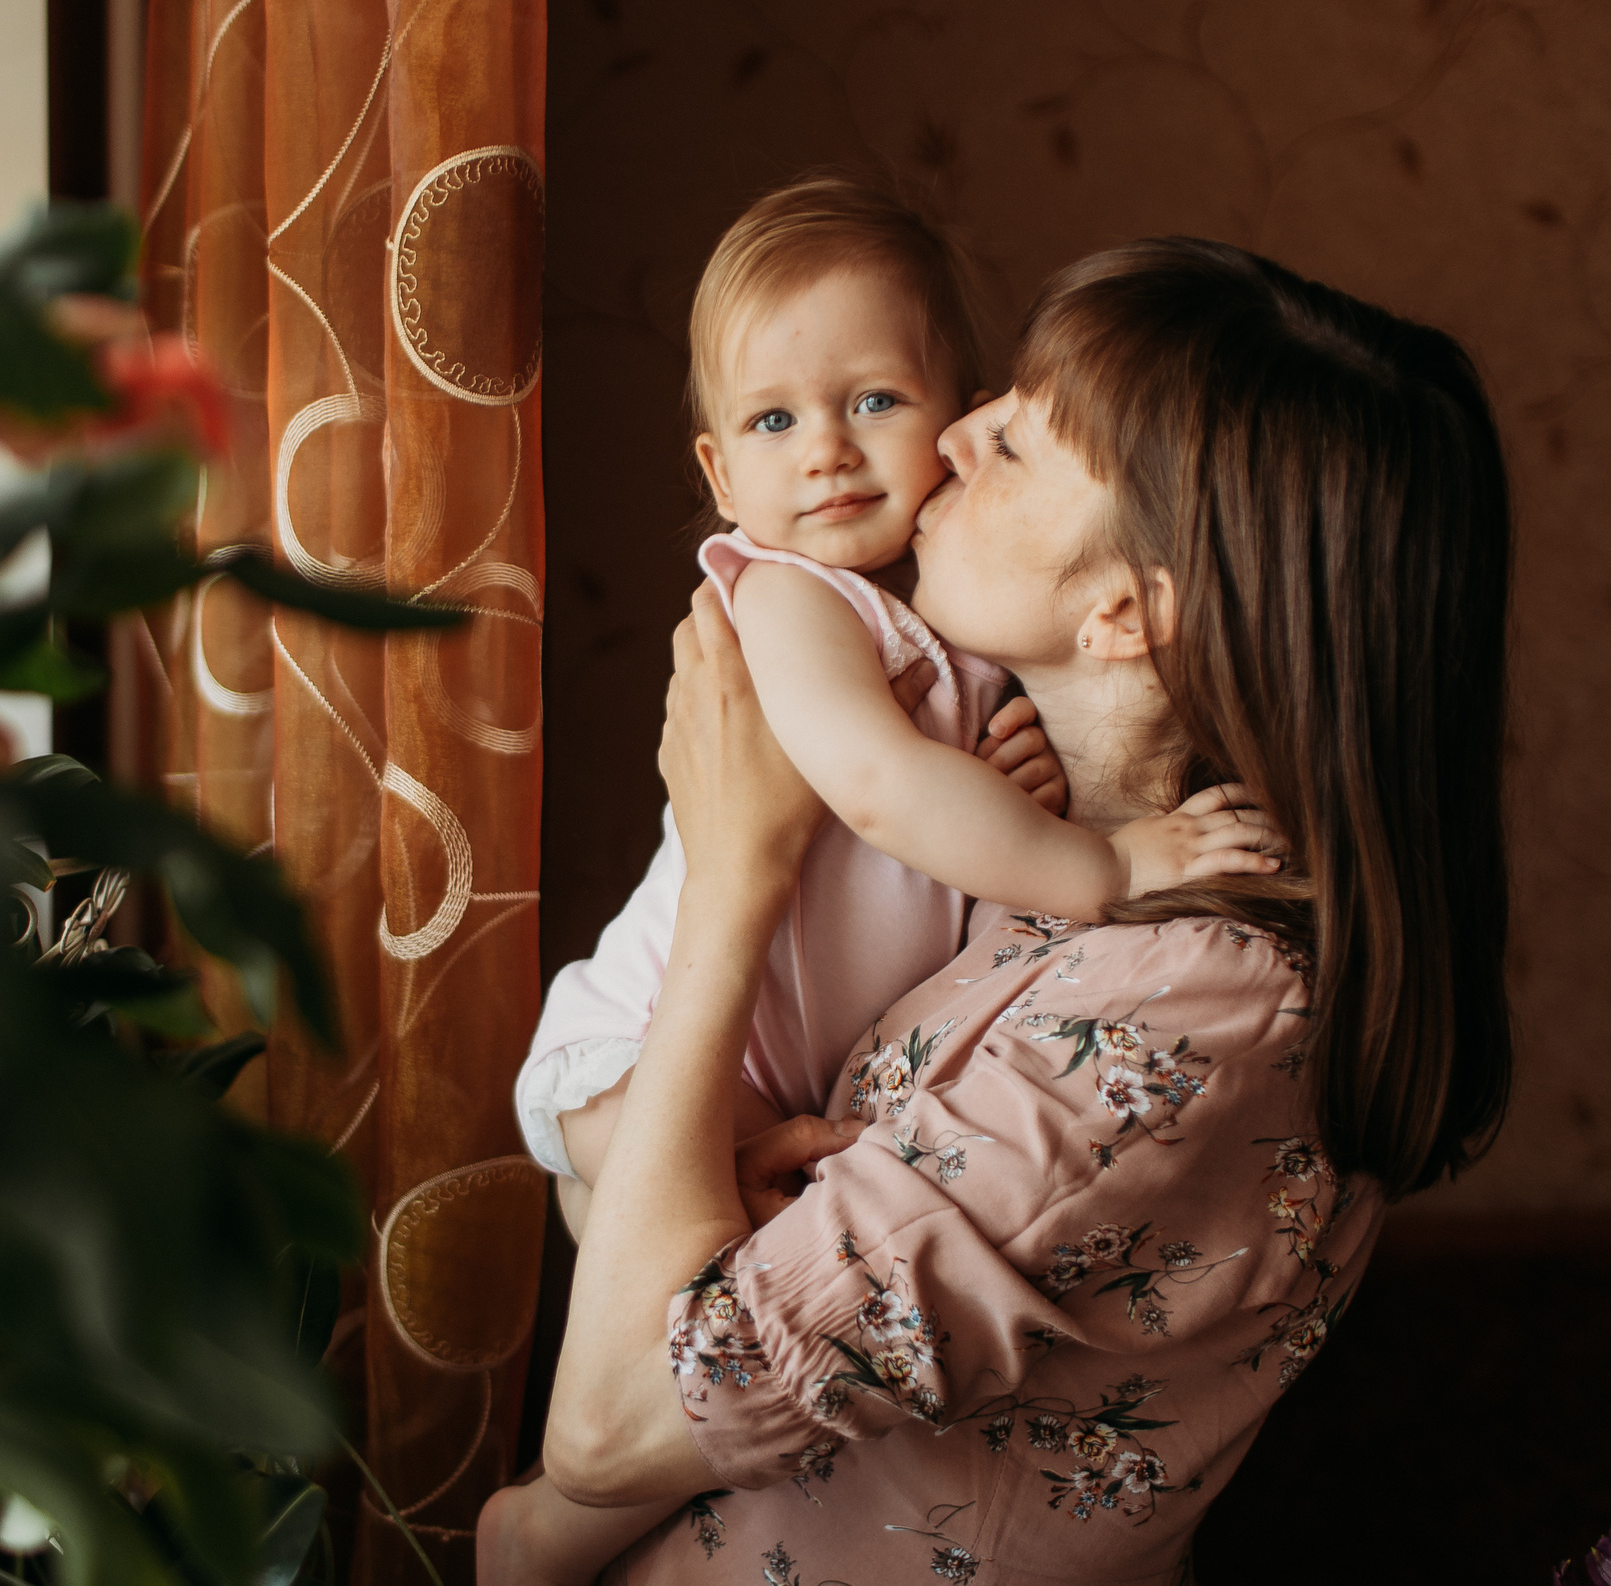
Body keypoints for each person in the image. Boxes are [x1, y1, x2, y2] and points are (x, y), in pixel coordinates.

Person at [485, 238, 1515, 1584]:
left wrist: (737, 872)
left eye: (1019, 438)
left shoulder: (1198, 1002)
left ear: (1126, 611)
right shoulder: (1038, 853)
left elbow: (606, 1428)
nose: (956, 429)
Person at [513, 179, 1279, 1246]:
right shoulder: (788, 598)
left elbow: (932, 836)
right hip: (646, 1046)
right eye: (773, 420)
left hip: (799, 1065)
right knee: (709, 1232)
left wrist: (1002, 781)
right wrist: (1105, 865)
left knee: (758, 1231)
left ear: (954, 412)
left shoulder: (956, 626)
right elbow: (878, 788)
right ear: (720, 473)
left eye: (874, 401)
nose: (826, 448)